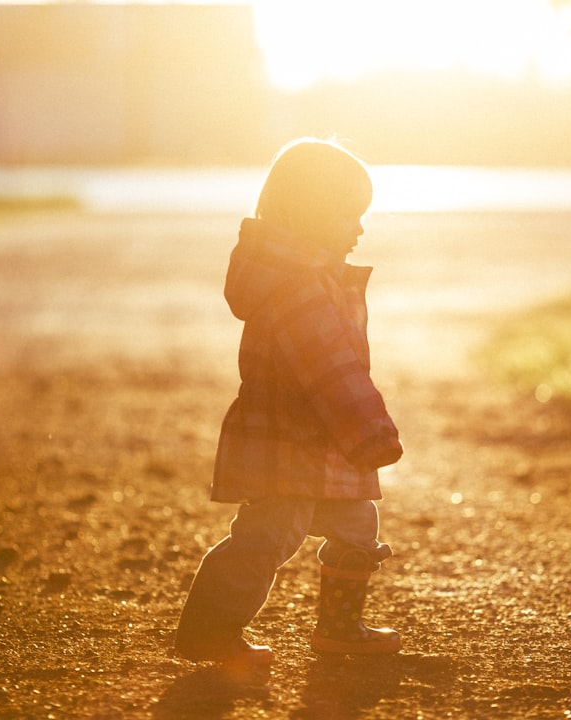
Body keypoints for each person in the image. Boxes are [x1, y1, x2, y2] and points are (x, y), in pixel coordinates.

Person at [173, 138, 405, 670]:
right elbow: (329, 369)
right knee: (268, 537)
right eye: (351, 215)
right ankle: (211, 630)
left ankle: (340, 627)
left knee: (354, 522)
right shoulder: (299, 286)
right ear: (315, 213)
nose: (360, 229)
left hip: (312, 443)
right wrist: (370, 429)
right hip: (290, 442)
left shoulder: (308, 277)